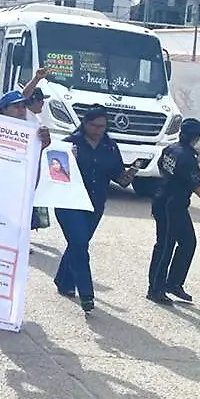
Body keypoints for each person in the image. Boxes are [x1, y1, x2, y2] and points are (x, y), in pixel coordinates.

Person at [54, 106, 131, 314]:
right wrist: (69, 159)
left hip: (95, 204)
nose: (98, 130)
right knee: (79, 243)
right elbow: (55, 173)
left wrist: (131, 174)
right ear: (85, 123)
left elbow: (119, 177)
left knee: (78, 243)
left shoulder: (110, 147)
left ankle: (63, 281)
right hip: (69, 203)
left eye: (103, 127)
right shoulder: (70, 144)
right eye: (94, 126)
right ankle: (86, 294)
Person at [147, 118, 200, 306]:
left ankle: (173, 283)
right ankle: (155, 289)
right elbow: (197, 186)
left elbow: (161, 167)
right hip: (170, 205)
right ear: (197, 137)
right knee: (164, 246)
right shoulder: (186, 157)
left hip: (170, 201)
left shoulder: (171, 149)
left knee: (188, 242)